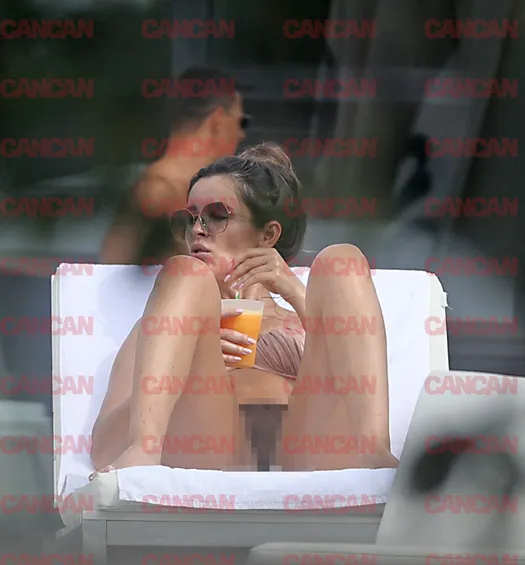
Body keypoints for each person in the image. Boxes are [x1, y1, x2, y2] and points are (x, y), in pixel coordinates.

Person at [91, 142, 398, 473]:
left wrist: (297, 294)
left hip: (307, 450)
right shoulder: (163, 328)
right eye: (189, 219)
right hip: (211, 448)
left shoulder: (303, 317)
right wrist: (186, 365)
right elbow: (103, 447)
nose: (197, 230)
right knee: (184, 272)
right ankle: (144, 449)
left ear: (267, 235)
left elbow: (345, 371)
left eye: (217, 216)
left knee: (342, 261)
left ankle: (374, 452)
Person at [99, 65, 250, 265]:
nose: (242, 134)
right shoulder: (157, 192)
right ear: (218, 120)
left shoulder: (164, 189)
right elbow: (116, 269)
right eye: (241, 123)